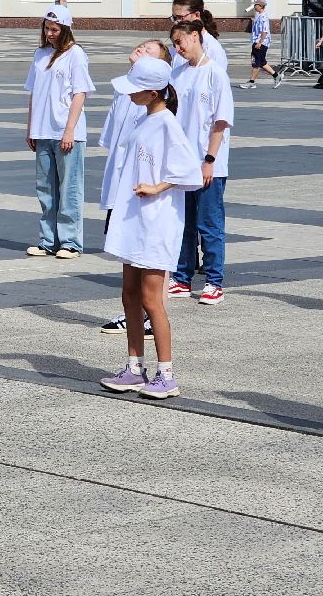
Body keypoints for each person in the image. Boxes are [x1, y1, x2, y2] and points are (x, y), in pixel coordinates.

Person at [98, 56, 205, 400]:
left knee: (150, 298)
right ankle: (134, 367)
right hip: (134, 219)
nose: (129, 94)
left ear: (154, 91)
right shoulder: (146, 119)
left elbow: (190, 172)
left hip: (155, 221)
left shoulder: (167, 124)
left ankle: (167, 373)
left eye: (135, 89)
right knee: (129, 292)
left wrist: (156, 187)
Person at [97, 39, 172, 335]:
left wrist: (155, 187)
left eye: (148, 51)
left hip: (142, 189)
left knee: (149, 257)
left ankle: (152, 314)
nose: (140, 50)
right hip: (122, 186)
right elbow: (113, 142)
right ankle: (137, 315)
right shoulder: (124, 94)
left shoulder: (157, 111)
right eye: (140, 47)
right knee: (129, 254)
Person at [168, 20, 234, 305]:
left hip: (209, 164)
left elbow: (220, 122)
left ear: (195, 37)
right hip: (182, 163)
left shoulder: (215, 73)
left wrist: (209, 159)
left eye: (180, 42)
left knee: (210, 224)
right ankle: (182, 277)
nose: (178, 49)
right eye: (174, 45)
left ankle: (214, 281)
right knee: (185, 224)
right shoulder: (178, 73)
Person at [25, 6, 94, 259]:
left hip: (66, 130)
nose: (50, 33)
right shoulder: (40, 54)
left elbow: (79, 93)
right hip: (43, 130)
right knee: (45, 188)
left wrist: (70, 130)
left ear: (65, 29)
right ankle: (47, 240)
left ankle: (70, 242)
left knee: (69, 188)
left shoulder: (75, 54)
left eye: (55, 29)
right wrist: (31, 126)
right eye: (47, 28)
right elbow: (34, 92)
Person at [170, 0, 227, 69]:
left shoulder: (212, 48)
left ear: (197, 15)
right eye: (174, 17)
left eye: (180, 17)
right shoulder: (176, 45)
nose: (176, 22)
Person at [241, 0, 278, 88]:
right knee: (261, 62)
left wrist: (260, 42)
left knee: (256, 63)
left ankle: (252, 82)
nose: (254, 7)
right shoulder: (260, 16)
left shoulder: (263, 17)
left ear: (260, 6)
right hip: (257, 42)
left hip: (260, 43)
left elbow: (264, 31)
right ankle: (276, 76)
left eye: (256, 5)